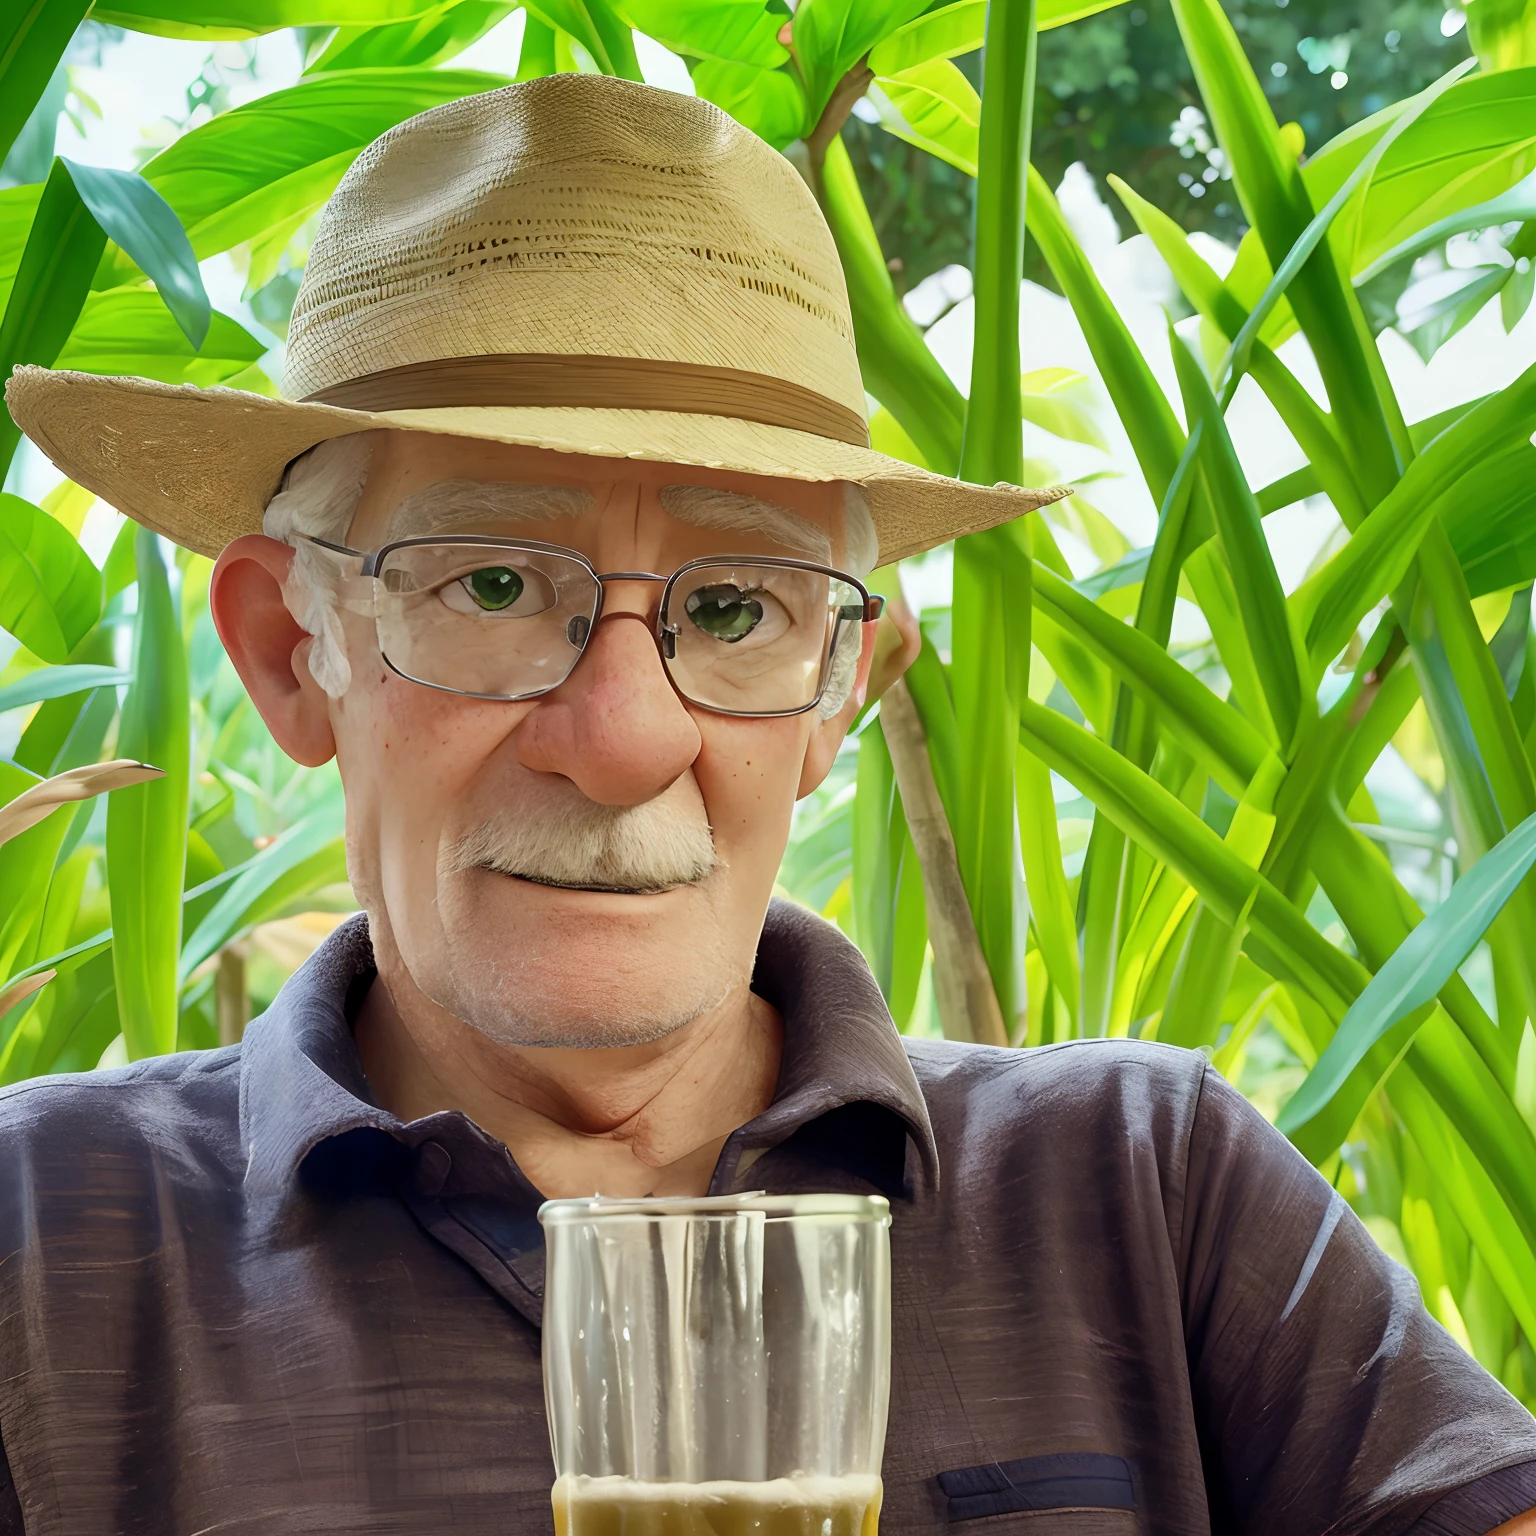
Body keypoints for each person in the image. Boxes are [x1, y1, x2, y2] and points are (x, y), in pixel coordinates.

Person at [1, 72, 1532, 1536]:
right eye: (488, 582)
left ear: (842, 688)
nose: (621, 737)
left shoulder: (1149, 1185)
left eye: (736, 609)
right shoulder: (31, 1244)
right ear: (290, 651)